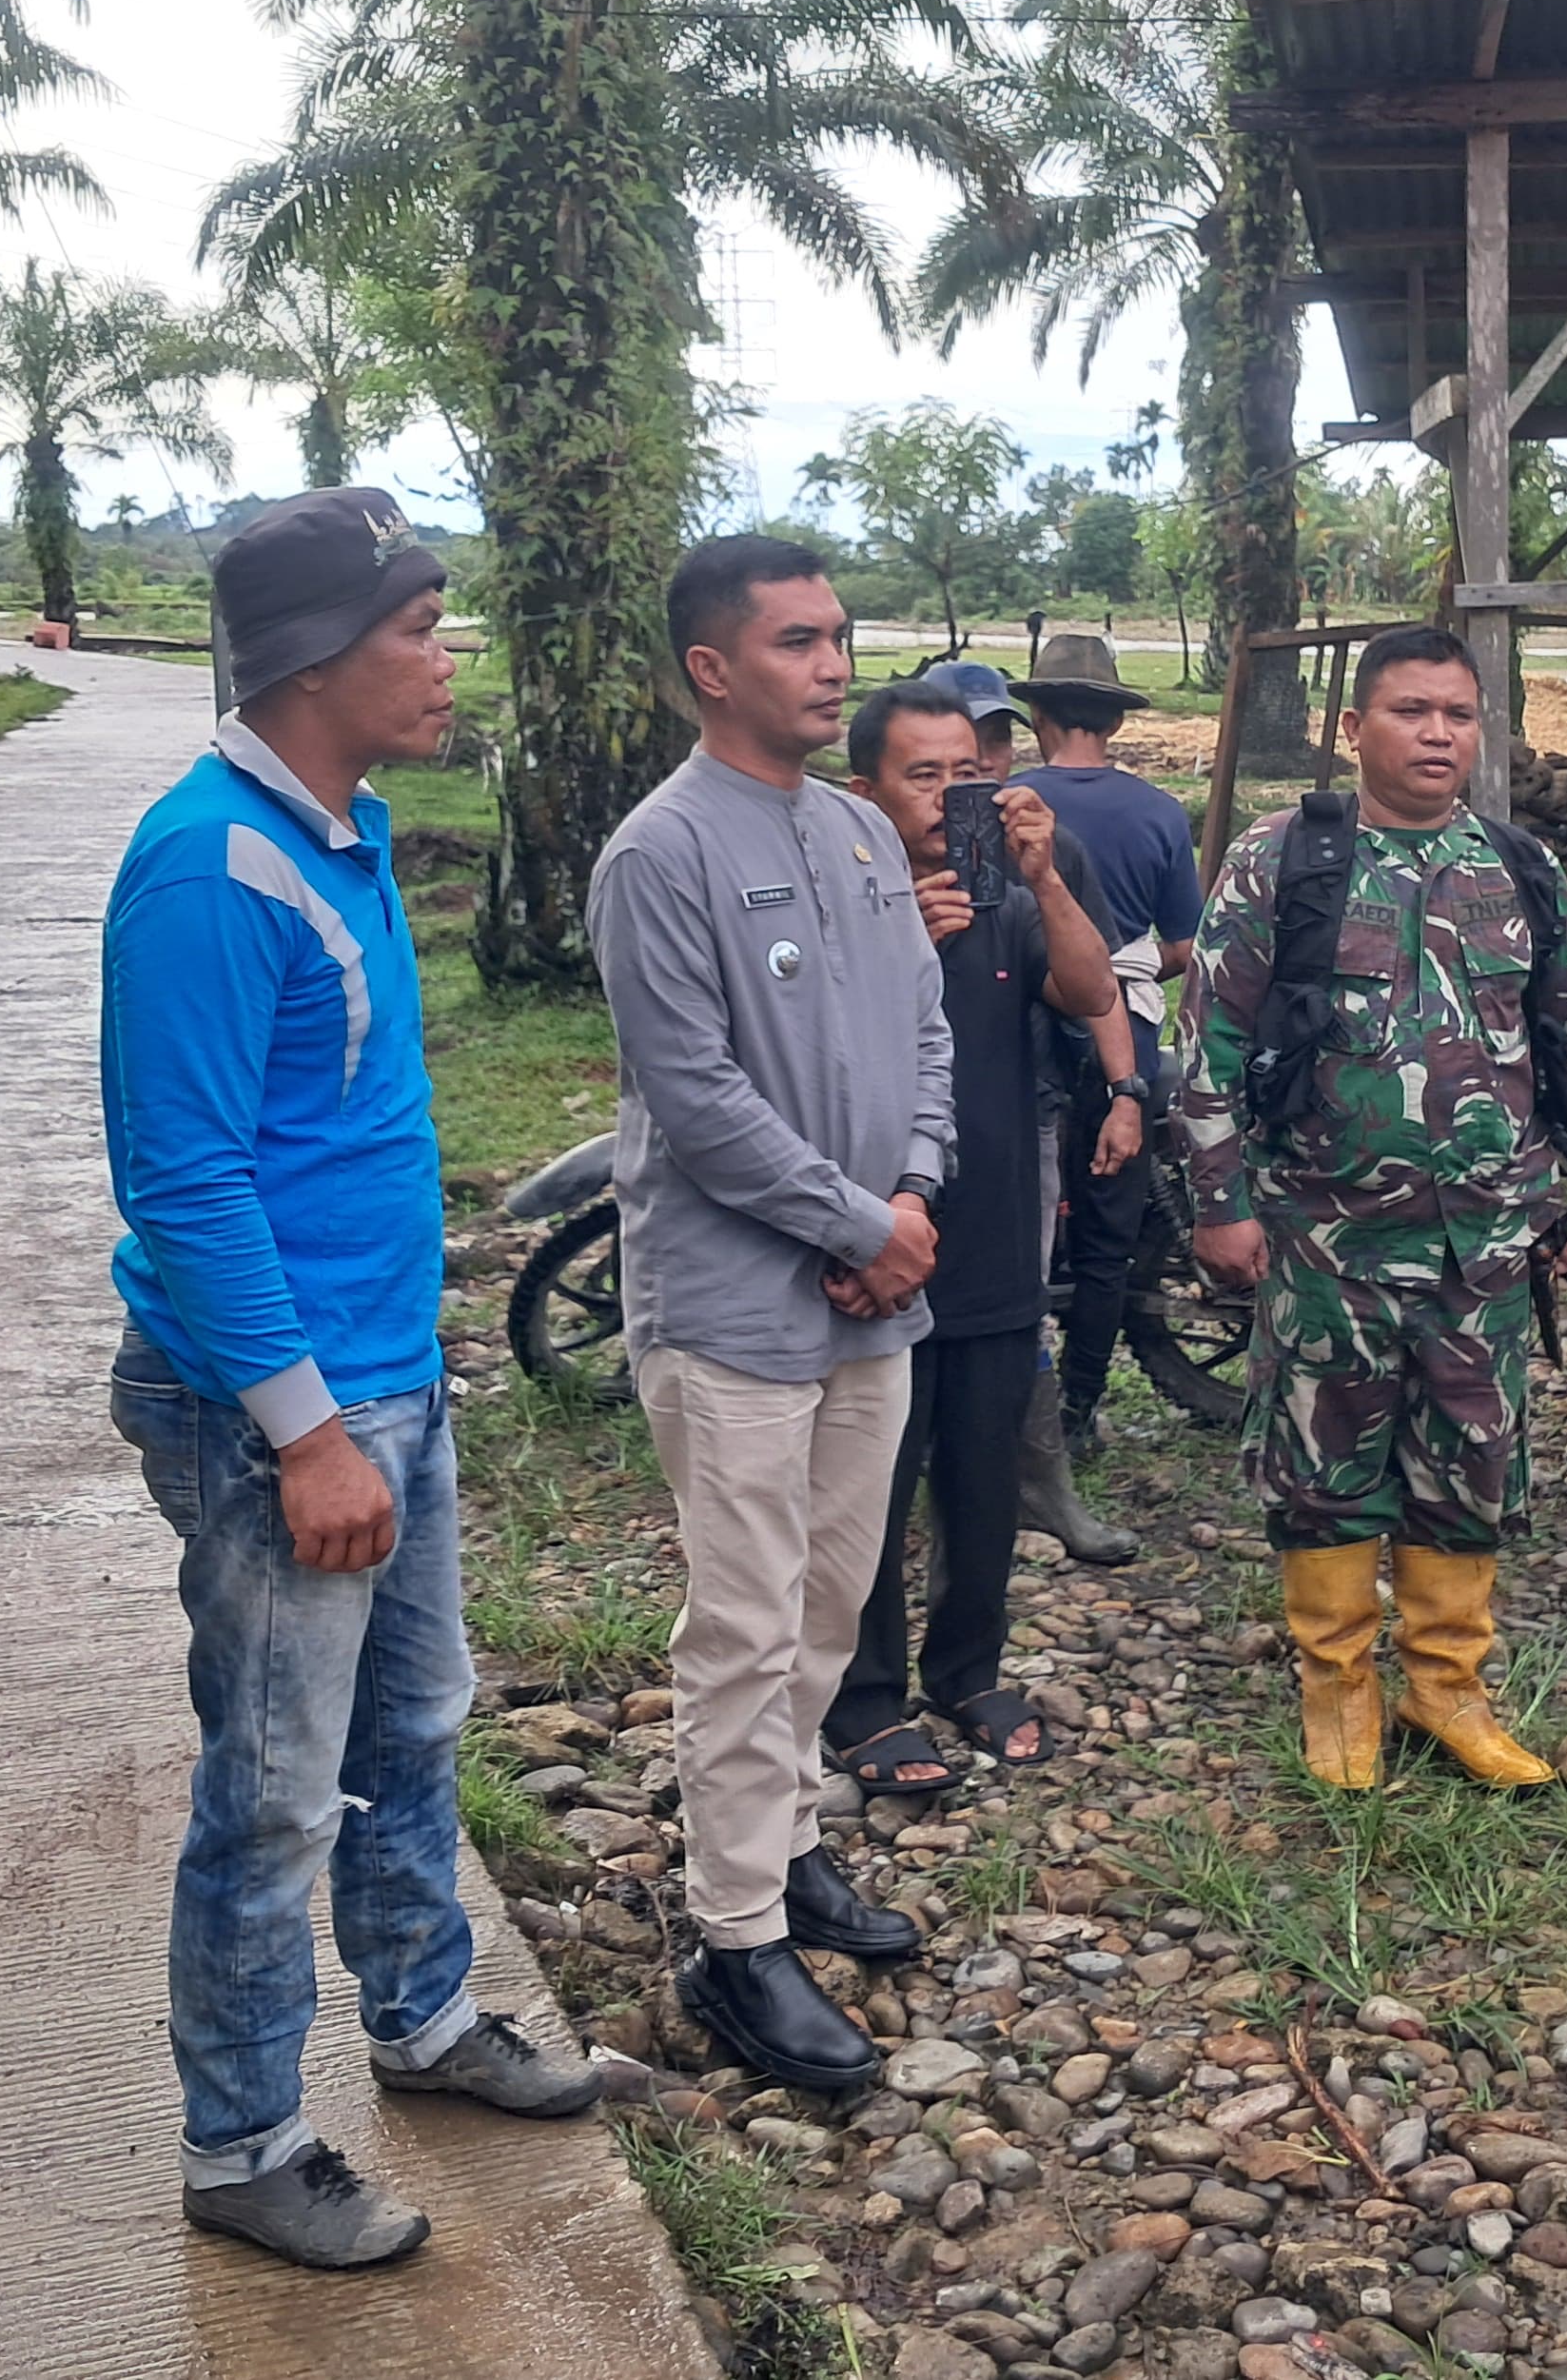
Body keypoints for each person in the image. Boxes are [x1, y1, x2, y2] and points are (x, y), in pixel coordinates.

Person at [101, 486, 597, 2274]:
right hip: (276, 1412)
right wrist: (304, 1431)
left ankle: (427, 2019)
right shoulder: (209, 865)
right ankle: (240, 2140)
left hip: (385, 1381)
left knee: (413, 1727)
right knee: (276, 1781)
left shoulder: (345, 827)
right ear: (318, 655)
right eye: (417, 627)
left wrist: (386, 1397)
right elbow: (190, 1177)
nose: (444, 658)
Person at [589, 535, 953, 2098]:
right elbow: (702, 1104)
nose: (834, 664)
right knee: (742, 1628)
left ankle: (788, 1843)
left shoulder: (866, 840)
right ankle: (736, 1942)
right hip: (736, 1309)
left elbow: (926, 1036)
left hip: (874, 1301)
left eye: (840, 636)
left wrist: (915, 1198)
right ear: (713, 669)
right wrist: (864, 1224)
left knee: (828, 1606)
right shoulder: (657, 856)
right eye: (800, 641)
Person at [1177, 626, 1567, 1791]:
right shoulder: (1283, 860)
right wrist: (1216, 1199)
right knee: (1327, 1463)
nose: (1436, 733)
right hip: (1325, 1234)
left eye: (1456, 713)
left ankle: (1448, 1689)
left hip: (1484, 1242)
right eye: (1409, 712)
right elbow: (1209, 1042)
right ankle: (1339, 1688)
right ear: (1356, 731)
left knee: (1470, 1463)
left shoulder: (1518, 867)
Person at [825, 679, 1127, 1800]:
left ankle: (967, 1669)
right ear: (864, 792)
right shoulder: (840, 897)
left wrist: (1046, 878)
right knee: (870, 1483)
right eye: (925, 776)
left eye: (972, 773)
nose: (958, 796)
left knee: (985, 1475)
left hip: (996, 1231)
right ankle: (862, 1699)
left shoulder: (1017, 889)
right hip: (878, 1239)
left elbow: (1093, 992)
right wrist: (899, 929)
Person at [926, 657, 1144, 1566]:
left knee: (1020, 1299)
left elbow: (1103, 985)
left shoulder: (1049, 853)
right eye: (946, 748)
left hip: (1022, 1114)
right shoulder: (850, 854)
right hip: (876, 1130)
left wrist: (1127, 1090)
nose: (977, 761)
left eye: (993, 739)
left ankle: (1041, 1484)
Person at [1009, 632, 1202, 1442]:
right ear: (1115, 725)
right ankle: (1082, 1408)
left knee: (1018, 1223)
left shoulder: (1012, 803)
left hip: (1029, 1034)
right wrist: (1129, 964)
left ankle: (1021, 1402)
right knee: (1107, 1238)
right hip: (1126, 1037)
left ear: (1040, 714)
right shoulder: (1158, 812)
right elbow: (1190, 943)